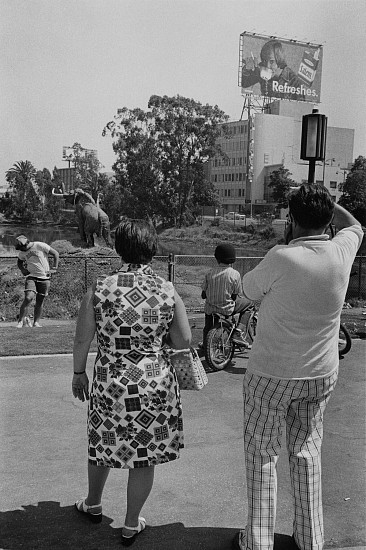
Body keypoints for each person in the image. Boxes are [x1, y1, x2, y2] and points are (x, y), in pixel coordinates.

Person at [232, 184, 363, 550]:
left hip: (271, 374)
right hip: (320, 374)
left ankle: (257, 541)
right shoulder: (341, 252)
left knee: (263, 454)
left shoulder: (281, 256)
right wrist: (327, 205)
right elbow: (355, 226)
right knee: (307, 452)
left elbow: (249, 289)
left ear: (291, 220)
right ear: (327, 219)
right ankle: (310, 538)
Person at [72, 219, 191, 546]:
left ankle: (93, 504)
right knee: (145, 454)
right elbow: (183, 340)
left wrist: (78, 373)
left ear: (119, 248)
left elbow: (83, 340)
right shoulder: (166, 290)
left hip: (110, 382)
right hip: (154, 384)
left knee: (102, 444)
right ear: (152, 250)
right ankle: (128, 524)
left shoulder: (99, 288)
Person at [201, 243, 252, 348]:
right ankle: (238, 331)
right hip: (227, 308)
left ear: (217, 258)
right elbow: (234, 296)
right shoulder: (235, 274)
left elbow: (203, 295)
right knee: (249, 305)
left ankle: (205, 344)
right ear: (233, 259)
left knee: (208, 325)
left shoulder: (209, 273)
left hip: (210, 308)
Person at [15, 235, 59, 328]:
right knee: (28, 298)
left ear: (26, 244)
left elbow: (55, 254)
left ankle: (36, 323)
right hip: (31, 277)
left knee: (40, 301)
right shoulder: (22, 253)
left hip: (44, 278)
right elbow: (19, 262)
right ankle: (20, 322)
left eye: (21, 248)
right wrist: (23, 270)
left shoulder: (40, 245)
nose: (21, 250)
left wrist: (54, 268)